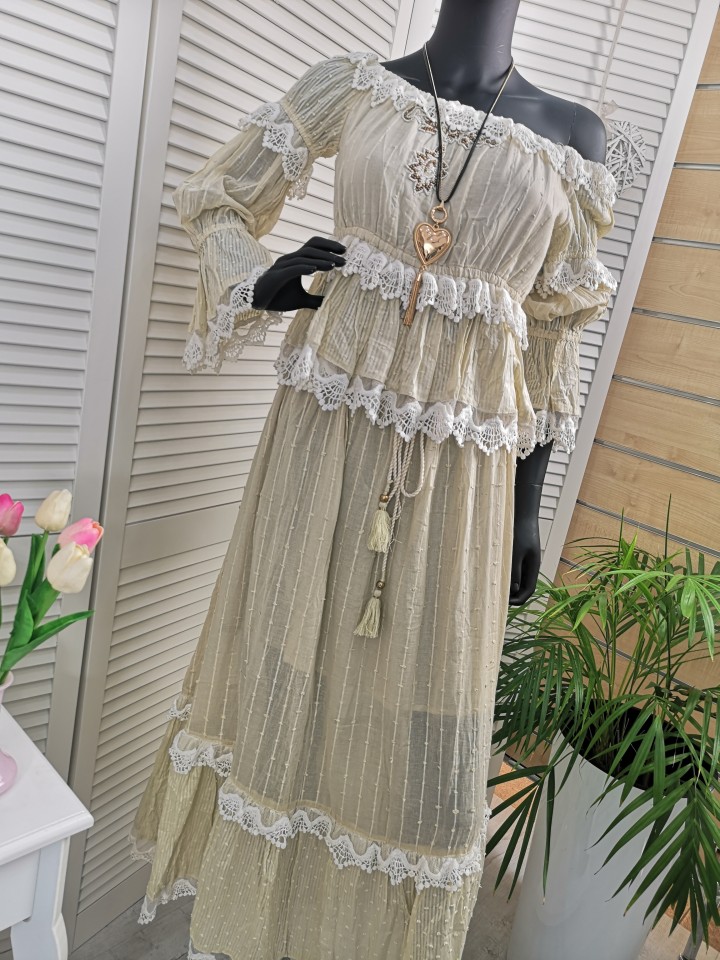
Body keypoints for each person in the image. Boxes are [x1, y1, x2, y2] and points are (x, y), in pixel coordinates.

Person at [128, 6, 617, 959]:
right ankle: (249, 923)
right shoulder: (353, 87)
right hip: (323, 440)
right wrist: (258, 280)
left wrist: (528, 507)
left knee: (425, 703)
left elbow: (551, 339)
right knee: (284, 654)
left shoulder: (573, 137)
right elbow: (218, 194)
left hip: (464, 478)